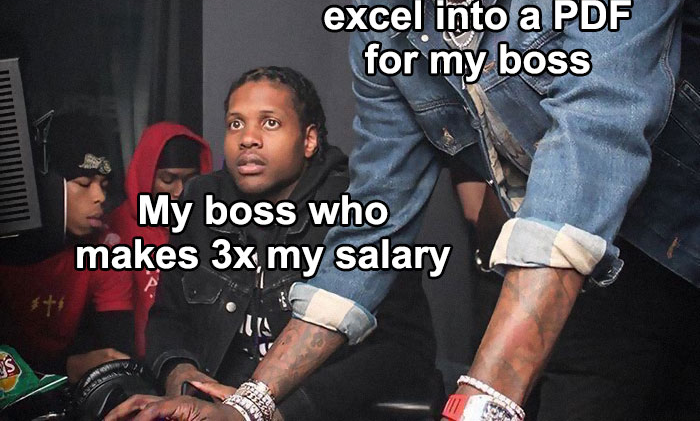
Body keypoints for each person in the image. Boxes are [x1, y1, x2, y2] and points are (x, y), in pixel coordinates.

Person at [106, 0, 700, 420]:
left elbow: (599, 125)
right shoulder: (380, 4)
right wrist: (250, 405)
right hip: (582, 282)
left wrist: (485, 396)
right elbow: (374, 214)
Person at [108, 66, 437, 421]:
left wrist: (269, 412)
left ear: (309, 140)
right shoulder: (200, 201)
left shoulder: (356, 210)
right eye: (236, 123)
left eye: (270, 123)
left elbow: (402, 351)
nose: (248, 138)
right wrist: (181, 374)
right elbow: (168, 317)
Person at [0, 112, 134, 382]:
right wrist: (66, 366)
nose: (100, 196)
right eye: (84, 183)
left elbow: (116, 352)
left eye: (104, 185)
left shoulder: (104, 250)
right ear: (46, 186)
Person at [105, 122, 212, 358]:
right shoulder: (115, 230)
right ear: (147, 175)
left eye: (190, 179)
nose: (180, 191)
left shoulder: (209, 226)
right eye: (168, 179)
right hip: (136, 362)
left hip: (195, 362)